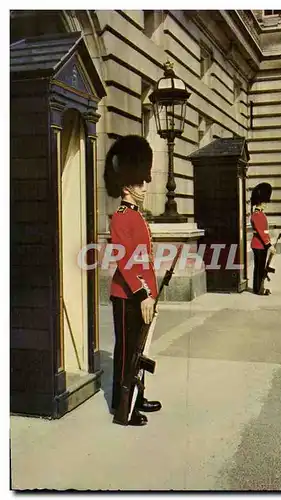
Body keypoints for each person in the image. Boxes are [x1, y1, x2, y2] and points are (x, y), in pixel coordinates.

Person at [104, 135, 161, 427]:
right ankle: (123, 409)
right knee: (127, 353)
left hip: (141, 295)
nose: (144, 187)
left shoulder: (137, 217)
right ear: (127, 185)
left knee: (140, 351)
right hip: (128, 297)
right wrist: (143, 295)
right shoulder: (121, 218)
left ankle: (136, 398)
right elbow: (126, 263)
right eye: (140, 183)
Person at [250, 182, 276, 296]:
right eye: (265, 202)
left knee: (260, 268)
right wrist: (269, 245)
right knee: (260, 268)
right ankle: (258, 289)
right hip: (259, 245)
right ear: (261, 202)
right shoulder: (258, 215)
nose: (266, 205)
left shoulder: (259, 214)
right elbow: (261, 233)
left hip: (260, 245)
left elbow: (264, 232)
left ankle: (259, 288)